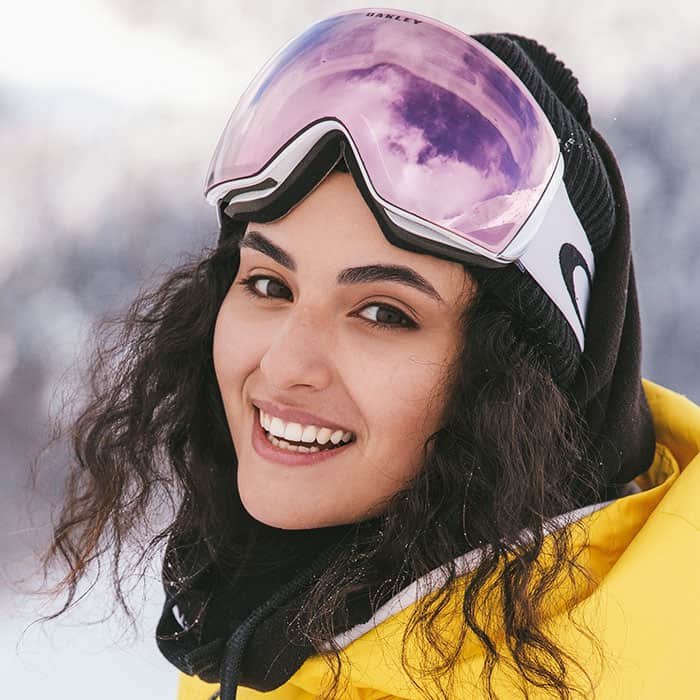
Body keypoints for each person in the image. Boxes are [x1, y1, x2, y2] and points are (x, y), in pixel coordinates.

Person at [40, 7, 700, 700]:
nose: (285, 366)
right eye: (268, 284)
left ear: (516, 385)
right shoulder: (263, 628)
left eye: (383, 314)